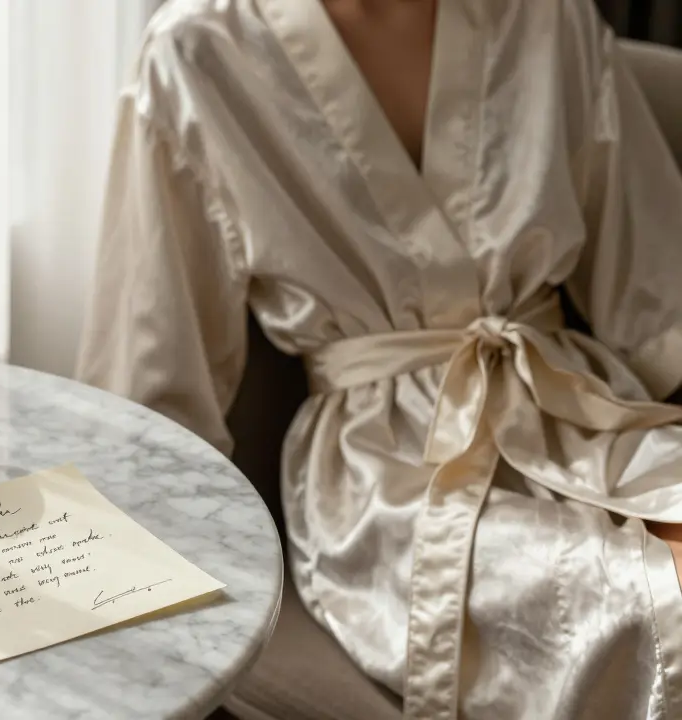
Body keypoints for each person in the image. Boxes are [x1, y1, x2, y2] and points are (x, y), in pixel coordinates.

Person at [76, 0, 682, 717]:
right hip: (389, 476)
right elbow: (151, 382)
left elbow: (655, 291)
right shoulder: (198, 51)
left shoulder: (548, 18)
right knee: (650, 596)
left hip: (579, 409)